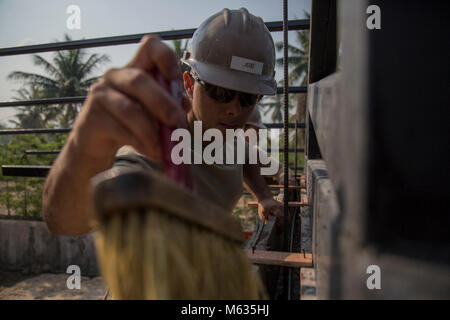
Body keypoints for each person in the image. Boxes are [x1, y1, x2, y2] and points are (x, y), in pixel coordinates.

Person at [42, 8, 284, 235]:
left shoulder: (227, 131)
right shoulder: (158, 149)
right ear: (189, 84)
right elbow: (65, 219)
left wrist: (264, 196)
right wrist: (85, 145)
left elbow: (245, 154)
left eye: (248, 96)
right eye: (221, 92)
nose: (234, 108)